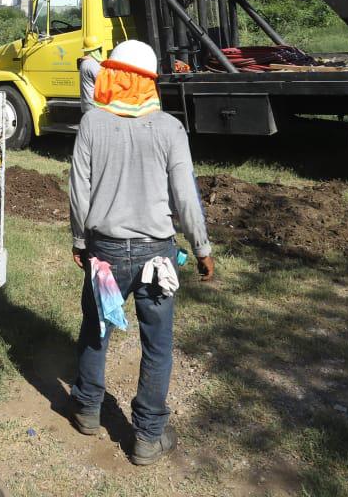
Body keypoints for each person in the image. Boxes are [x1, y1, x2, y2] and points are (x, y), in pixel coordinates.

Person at [68, 39, 213, 466]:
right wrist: (201, 247)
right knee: (158, 344)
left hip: (105, 251)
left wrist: (80, 239)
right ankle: (148, 437)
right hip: (157, 256)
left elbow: (79, 191)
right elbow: (185, 196)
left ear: (112, 75)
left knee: (96, 330)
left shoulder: (92, 124)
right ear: (150, 83)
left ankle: (88, 411)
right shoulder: (169, 128)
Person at [78, 35, 105, 114]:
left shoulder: (84, 62)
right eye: (100, 49)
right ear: (96, 50)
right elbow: (103, 82)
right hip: (94, 105)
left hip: (87, 104)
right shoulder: (91, 63)